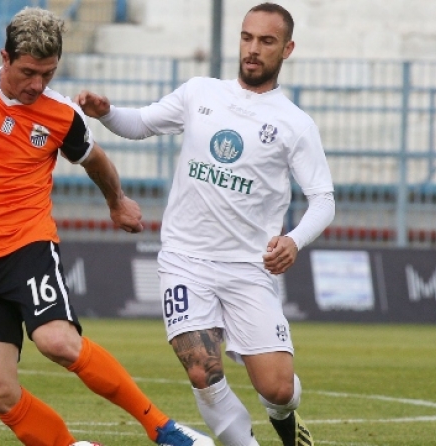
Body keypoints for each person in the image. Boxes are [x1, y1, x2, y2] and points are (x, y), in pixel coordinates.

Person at [0, 6, 215, 446]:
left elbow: (95, 159)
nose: (37, 84)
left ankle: (163, 428)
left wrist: (117, 202)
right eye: (29, 72)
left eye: (48, 73)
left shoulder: (62, 115)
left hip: (26, 247)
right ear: (5, 57)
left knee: (57, 342)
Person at [76, 3, 335, 446]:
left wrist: (293, 240)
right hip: (185, 260)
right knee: (202, 370)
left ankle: (287, 420)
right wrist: (106, 111)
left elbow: (323, 200)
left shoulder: (295, 124)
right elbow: (140, 124)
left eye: (266, 41)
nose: (253, 49)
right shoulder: (200, 92)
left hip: (249, 267)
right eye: (247, 37)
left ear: (287, 49)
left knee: (277, 390)